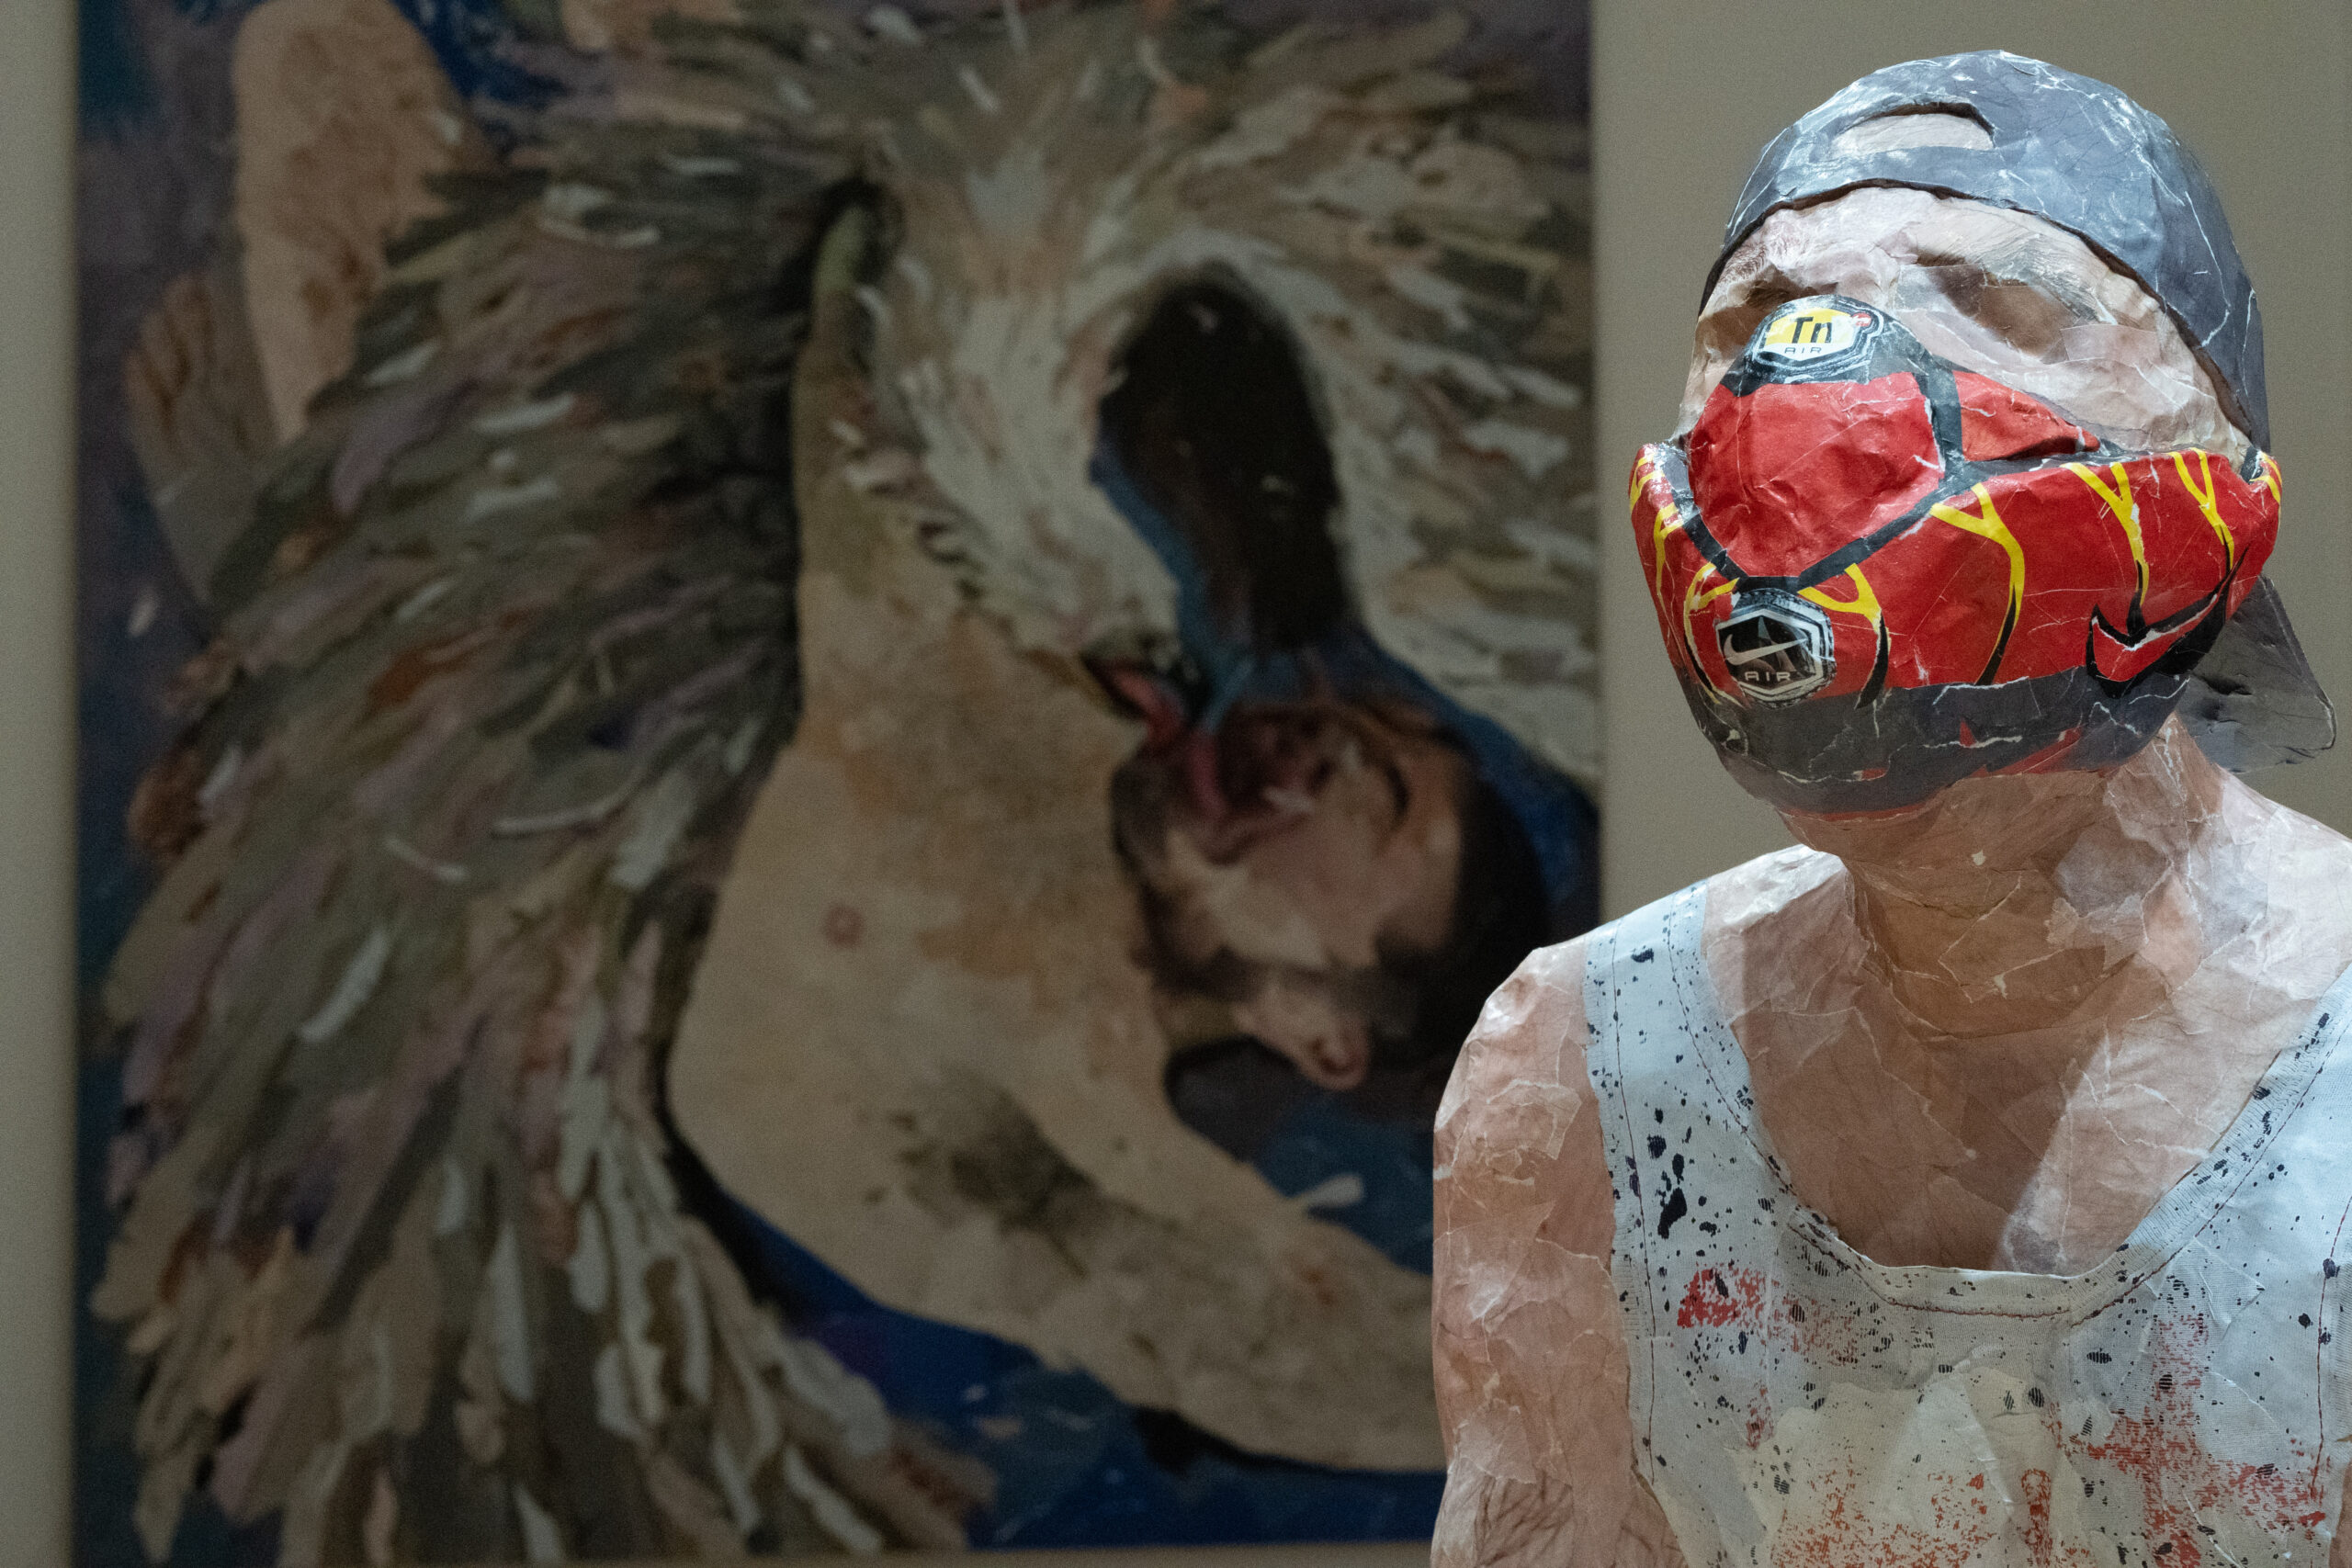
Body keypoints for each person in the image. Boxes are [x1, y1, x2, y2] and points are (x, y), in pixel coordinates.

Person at [1433, 52, 2352, 1567]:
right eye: (1750, 323)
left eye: (1987, 301)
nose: (1813, 395)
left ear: (2221, 463)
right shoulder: (1579, 1076)